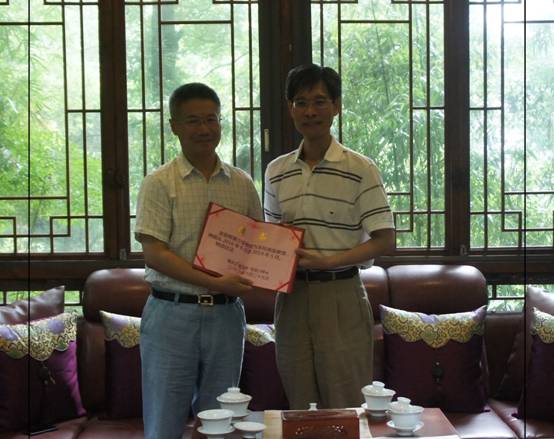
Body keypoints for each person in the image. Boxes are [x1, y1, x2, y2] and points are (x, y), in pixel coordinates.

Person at [135, 83, 263, 439]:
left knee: (222, 420)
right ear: (174, 126)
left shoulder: (241, 183)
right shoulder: (159, 183)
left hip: (226, 316)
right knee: (164, 420)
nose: (204, 129)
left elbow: (258, 243)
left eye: (211, 119)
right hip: (172, 315)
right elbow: (155, 254)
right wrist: (215, 282)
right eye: (193, 121)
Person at [264, 64, 395, 409]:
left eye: (320, 101)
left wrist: (328, 261)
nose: (310, 111)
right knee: (299, 404)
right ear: (290, 108)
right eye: (301, 102)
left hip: (341, 294)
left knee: (345, 404)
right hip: (291, 298)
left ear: (336, 106)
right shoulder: (276, 172)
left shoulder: (361, 169)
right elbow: (273, 239)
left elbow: (385, 239)